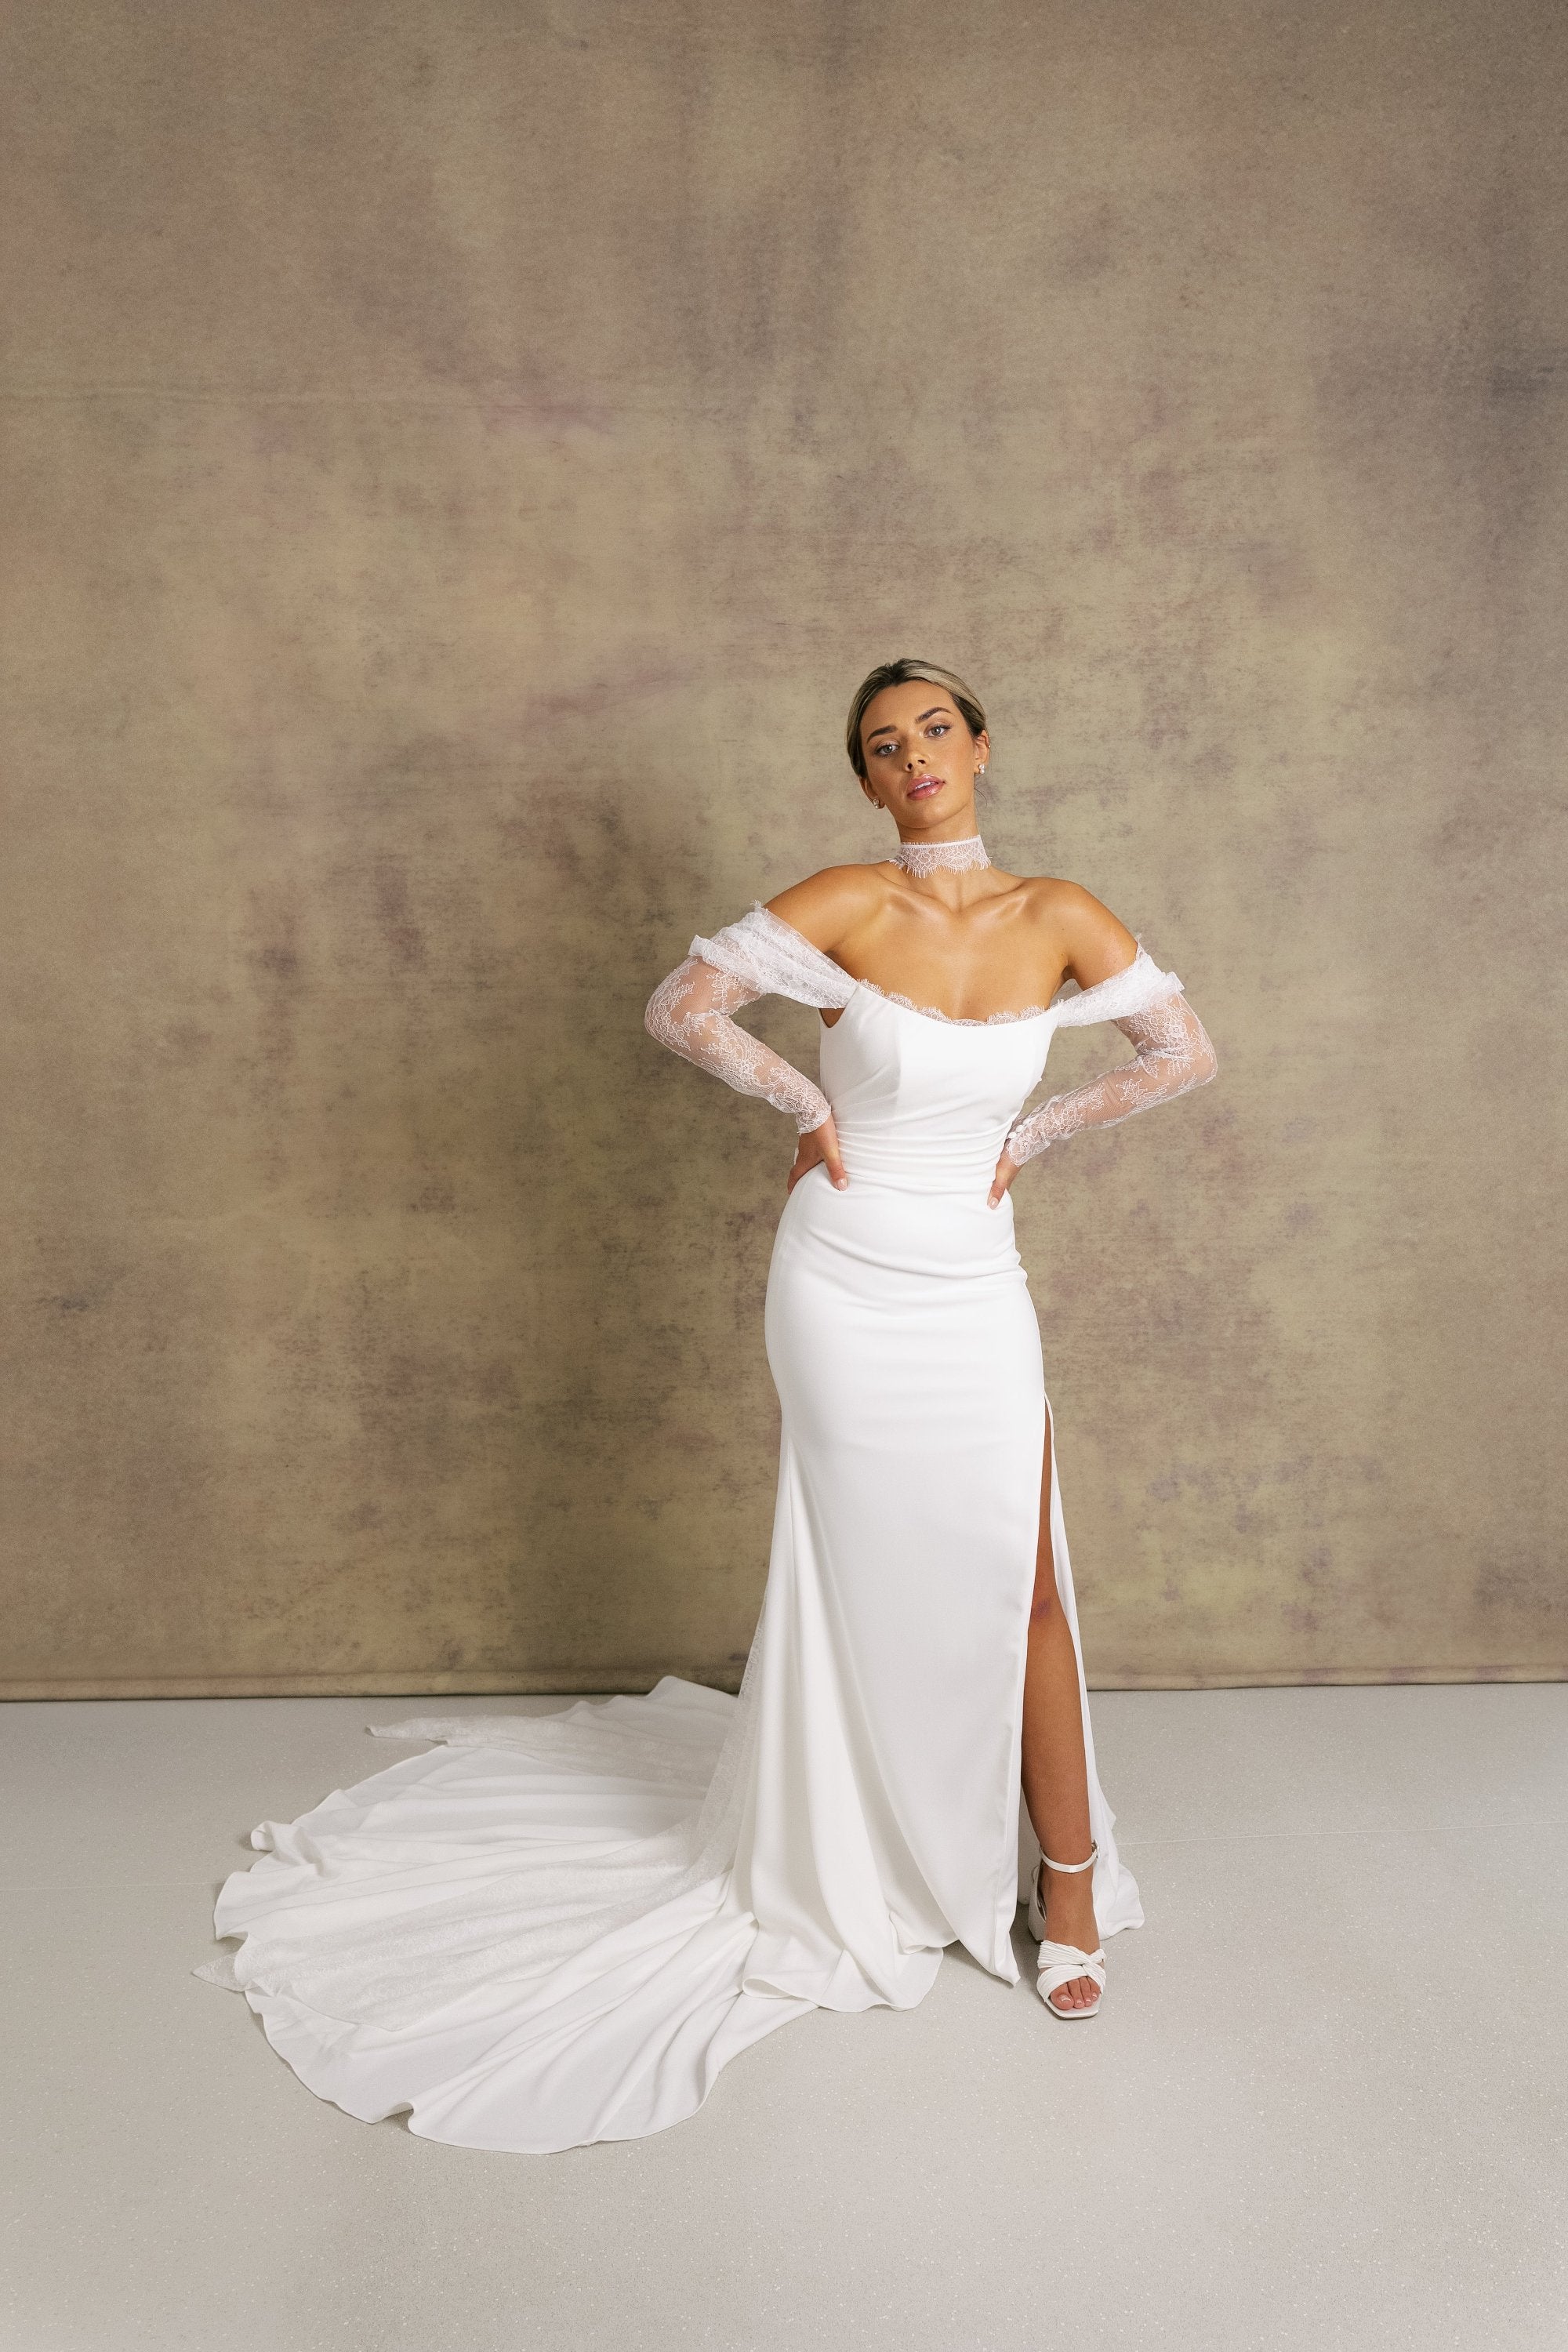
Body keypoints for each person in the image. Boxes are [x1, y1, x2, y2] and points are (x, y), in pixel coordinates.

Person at [200, 660, 1217, 2153]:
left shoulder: (1062, 914)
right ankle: (855, 1852)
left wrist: (1036, 1132)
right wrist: (810, 1112)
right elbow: (684, 1005)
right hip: (843, 1279)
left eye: (936, 728)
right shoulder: (847, 903)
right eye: (885, 745)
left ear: (982, 748)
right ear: (868, 780)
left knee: (1025, 1581)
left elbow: (1182, 1053)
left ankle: (1065, 1887)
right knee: (858, 1577)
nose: (916, 757)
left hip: (970, 1278)